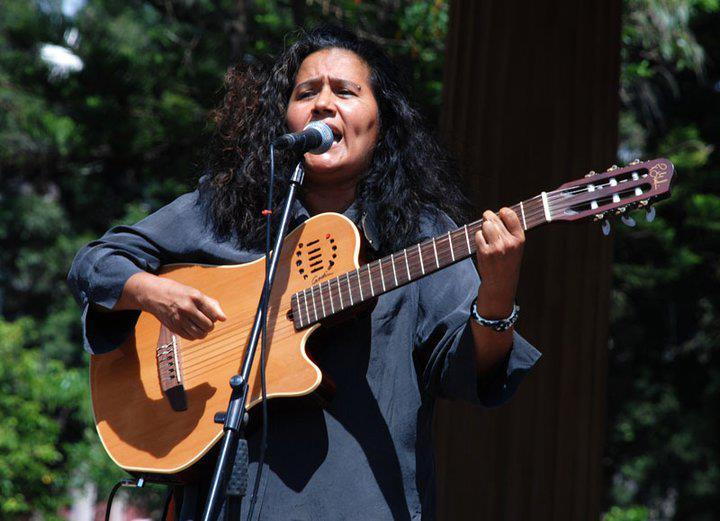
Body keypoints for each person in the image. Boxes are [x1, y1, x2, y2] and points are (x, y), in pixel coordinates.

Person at [68, 25, 541, 521]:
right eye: (306, 92)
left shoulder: (422, 233)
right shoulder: (228, 208)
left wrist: (499, 289)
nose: (322, 104)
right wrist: (151, 293)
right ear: (285, 118)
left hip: (357, 502)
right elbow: (96, 263)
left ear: (382, 121)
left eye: (346, 91)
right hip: (226, 499)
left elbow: (470, 369)